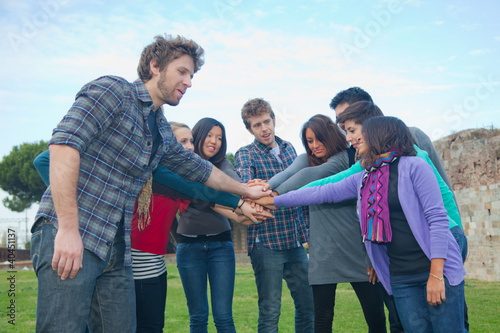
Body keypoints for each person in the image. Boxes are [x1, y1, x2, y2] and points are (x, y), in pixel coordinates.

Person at [30, 34, 269, 332]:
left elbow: (197, 171)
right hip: (73, 233)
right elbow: (64, 145)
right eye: (182, 71)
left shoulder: (158, 127)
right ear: (155, 66)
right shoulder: (113, 90)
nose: (189, 82)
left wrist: (245, 190)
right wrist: (67, 228)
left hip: (116, 248)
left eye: (192, 75)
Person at [32, 122, 270, 333]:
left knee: (148, 326)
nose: (189, 147)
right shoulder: (141, 171)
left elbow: (206, 195)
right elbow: (44, 160)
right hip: (123, 260)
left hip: (153, 266)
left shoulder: (176, 180)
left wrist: (244, 209)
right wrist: (76, 203)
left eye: (190, 141)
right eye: (182, 142)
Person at [257, 116, 467, 332]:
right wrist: (274, 200)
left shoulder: (415, 167)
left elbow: (438, 220)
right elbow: (321, 191)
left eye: (361, 133)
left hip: (434, 268)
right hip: (402, 276)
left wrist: (435, 275)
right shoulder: (365, 177)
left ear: (380, 135)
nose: (354, 138)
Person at [266, 114, 386, 332]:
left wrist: (268, 197)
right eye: (309, 141)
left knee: (374, 314)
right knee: (322, 317)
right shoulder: (306, 158)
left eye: (319, 139)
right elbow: (288, 173)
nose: (315, 146)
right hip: (322, 251)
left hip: (355, 247)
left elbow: (313, 175)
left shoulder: (347, 158)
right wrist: (263, 188)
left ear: (330, 136)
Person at [234, 98, 314, 332]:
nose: (264, 128)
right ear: (249, 129)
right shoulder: (245, 154)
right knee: (270, 312)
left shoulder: (290, 148)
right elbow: (247, 190)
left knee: (308, 307)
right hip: (266, 242)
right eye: (257, 125)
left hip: (294, 240)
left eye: (267, 121)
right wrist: (252, 190)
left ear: (274, 119)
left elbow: (302, 190)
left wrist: (308, 233)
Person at [176, 118, 246, 332]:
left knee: (223, 317)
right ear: (198, 136)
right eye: (210, 135)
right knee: (198, 317)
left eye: (219, 138)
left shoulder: (223, 164)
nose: (214, 141)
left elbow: (238, 186)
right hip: (188, 248)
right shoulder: (182, 165)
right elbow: (196, 194)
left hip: (221, 247)